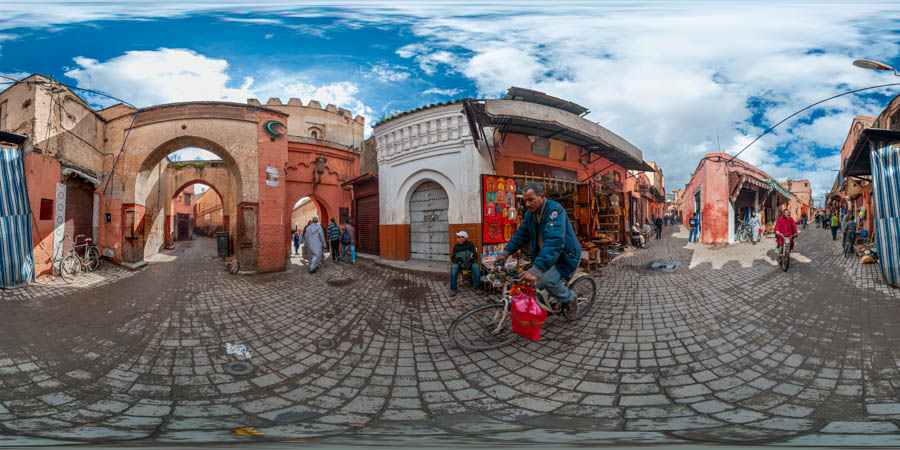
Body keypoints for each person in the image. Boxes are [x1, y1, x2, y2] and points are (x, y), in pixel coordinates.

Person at [495, 183, 581, 312]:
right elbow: (520, 235)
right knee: (535, 285)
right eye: (525, 201)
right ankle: (543, 309)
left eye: (531, 199)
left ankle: (570, 298)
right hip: (548, 256)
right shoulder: (530, 214)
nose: (527, 204)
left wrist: (537, 270)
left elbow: (555, 241)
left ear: (542, 196)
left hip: (565, 256)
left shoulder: (555, 210)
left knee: (547, 281)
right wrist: (505, 253)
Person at [449, 231, 482, 297]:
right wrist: (457, 261)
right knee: (453, 268)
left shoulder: (470, 245)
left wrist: (471, 262)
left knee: (476, 267)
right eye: (457, 237)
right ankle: (453, 289)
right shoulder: (456, 246)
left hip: (470, 264)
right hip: (460, 265)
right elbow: (453, 258)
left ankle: (478, 288)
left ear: (464, 238)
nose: (457, 238)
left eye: (459, 237)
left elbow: (475, 256)